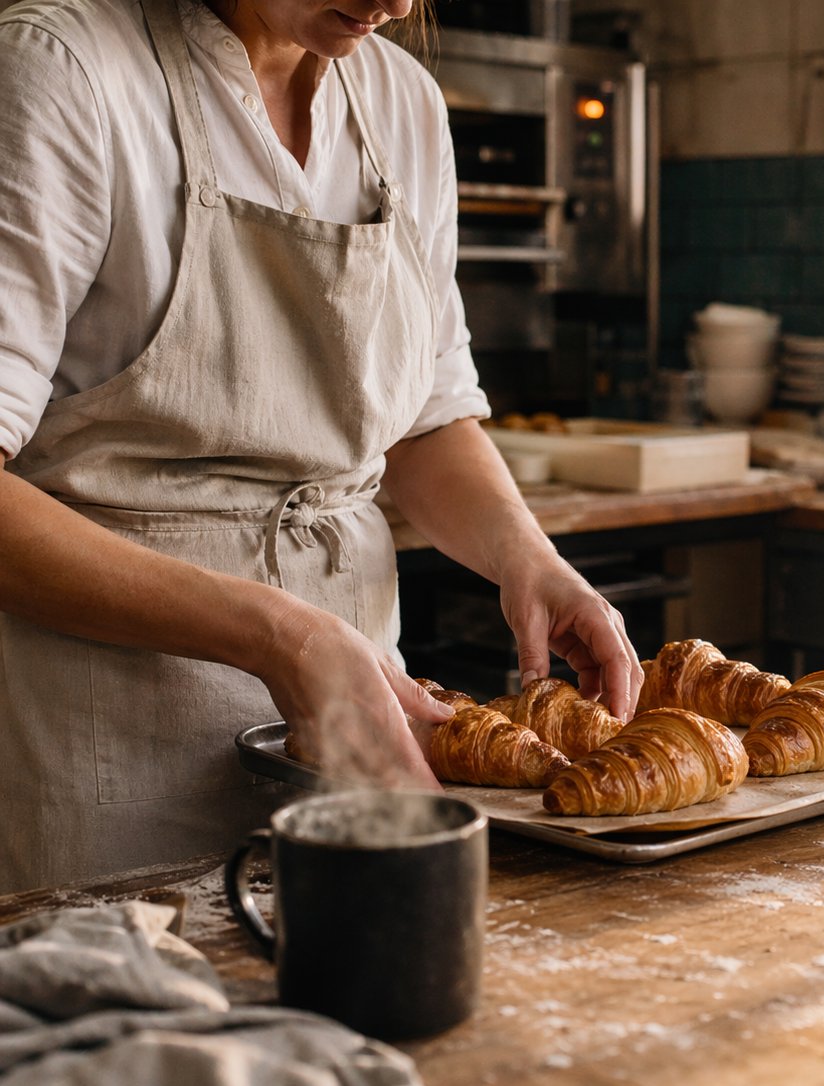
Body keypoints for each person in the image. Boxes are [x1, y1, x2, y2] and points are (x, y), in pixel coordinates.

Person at [0, 0, 644, 894]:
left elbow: (423, 417)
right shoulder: (63, 70)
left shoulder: (403, 102)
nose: (400, 2)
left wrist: (524, 556)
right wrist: (285, 641)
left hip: (364, 726)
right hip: (108, 754)